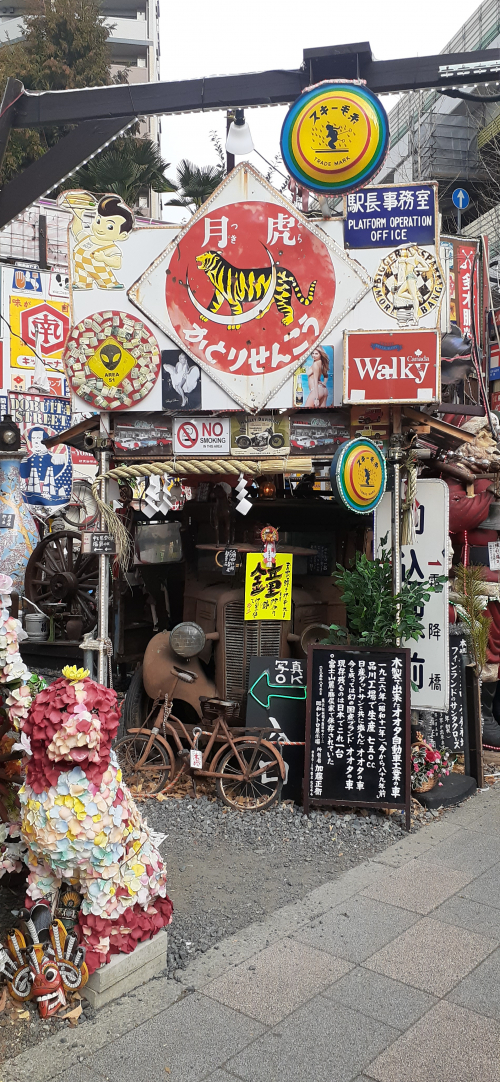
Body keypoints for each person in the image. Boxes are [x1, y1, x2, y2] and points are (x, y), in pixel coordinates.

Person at [69, 194, 134, 291]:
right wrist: (77, 214)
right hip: (81, 272)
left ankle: (110, 285)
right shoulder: (86, 238)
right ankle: (81, 284)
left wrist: (104, 258)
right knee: (81, 279)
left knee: (107, 284)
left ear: (122, 235)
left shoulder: (111, 248)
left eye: (110, 227)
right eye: (98, 221)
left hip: (102, 274)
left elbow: (117, 263)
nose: (100, 228)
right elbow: (77, 230)